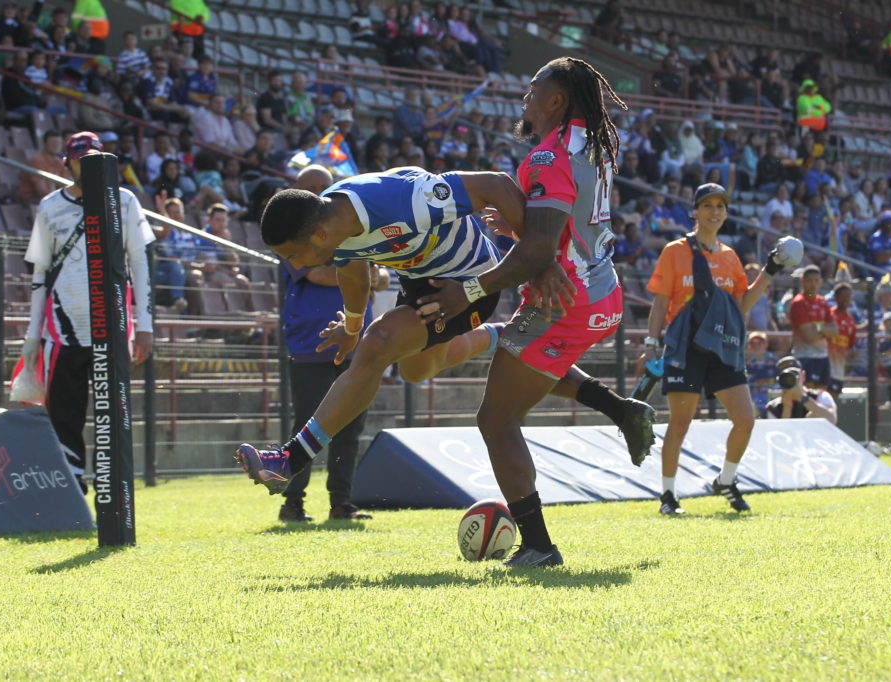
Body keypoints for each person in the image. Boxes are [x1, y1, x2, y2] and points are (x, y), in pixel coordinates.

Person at [237, 142, 654, 549]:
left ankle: (289, 459)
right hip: (421, 279)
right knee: (417, 370)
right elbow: (353, 271)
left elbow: (493, 184)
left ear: (318, 234)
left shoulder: (402, 201)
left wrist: (540, 259)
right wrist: (350, 323)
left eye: (292, 254)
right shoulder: (332, 225)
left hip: (466, 283)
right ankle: (508, 344)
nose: (291, 265)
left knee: (378, 344)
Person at [402, 57, 660, 566]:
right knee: (528, 359)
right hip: (601, 295)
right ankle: (622, 410)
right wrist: (522, 226)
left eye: (532, 88)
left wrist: (467, 291)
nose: (525, 98)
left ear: (555, 101)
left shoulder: (547, 157)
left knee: (496, 418)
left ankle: (539, 547)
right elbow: (563, 228)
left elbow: (542, 251)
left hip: (563, 303)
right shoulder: (596, 145)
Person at [640, 182, 796, 515]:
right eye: (707, 206)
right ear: (694, 211)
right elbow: (661, 301)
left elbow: (741, 305)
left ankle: (726, 480)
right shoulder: (674, 251)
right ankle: (668, 495)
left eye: (720, 206)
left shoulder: (729, 256)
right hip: (685, 347)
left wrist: (770, 270)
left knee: (745, 419)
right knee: (680, 423)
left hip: (723, 346)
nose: (714, 212)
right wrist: (652, 343)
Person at [19, 131, 154, 492]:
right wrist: (32, 336)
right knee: (64, 415)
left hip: (112, 328)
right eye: (80, 158)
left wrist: (146, 325)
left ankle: (112, 489)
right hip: (61, 332)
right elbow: (39, 275)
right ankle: (73, 491)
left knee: (112, 416)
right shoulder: (49, 206)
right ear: (67, 162)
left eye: (93, 157)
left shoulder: (125, 201)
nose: (86, 164)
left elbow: (140, 264)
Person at [277, 165, 390, 522]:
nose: (315, 195)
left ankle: (342, 503)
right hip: (311, 343)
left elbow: (384, 274)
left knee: (351, 424)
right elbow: (323, 274)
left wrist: (367, 276)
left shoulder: (350, 228)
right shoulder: (289, 233)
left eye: (321, 188)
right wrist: (365, 276)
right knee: (307, 424)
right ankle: (292, 502)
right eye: (308, 188)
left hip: (359, 343)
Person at [789, 264, 838, 390]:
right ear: (802, 282)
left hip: (823, 355)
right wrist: (824, 329)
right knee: (807, 392)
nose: (813, 284)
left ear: (821, 282)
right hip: (804, 356)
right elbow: (808, 336)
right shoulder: (798, 302)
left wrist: (816, 327)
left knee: (822, 394)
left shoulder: (822, 301)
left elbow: (835, 330)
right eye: (809, 280)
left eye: (816, 281)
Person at [764, 356, 838, 423]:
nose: (791, 379)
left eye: (794, 374)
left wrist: (803, 398)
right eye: (785, 376)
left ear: (803, 375)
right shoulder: (774, 407)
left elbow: (831, 420)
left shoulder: (820, 396)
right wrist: (787, 408)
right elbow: (778, 434)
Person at [16, 130, 72, 204]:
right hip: (31, 200)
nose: (56, 145)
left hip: (51, 198)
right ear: (45, 144)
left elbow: (65, 187)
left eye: (58, 143)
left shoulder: (60, 162)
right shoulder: (37, 161)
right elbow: (42, 192)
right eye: (53, 142)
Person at [827, 281, 857, 396]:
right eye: (842, 296)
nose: (845, 299)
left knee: (834, 399)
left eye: (848, 296)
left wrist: (851, 353)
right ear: (836, 297)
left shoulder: (851, 320)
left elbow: (851, 344)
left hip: (839, 368)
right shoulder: (829, 315)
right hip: (827, 366)